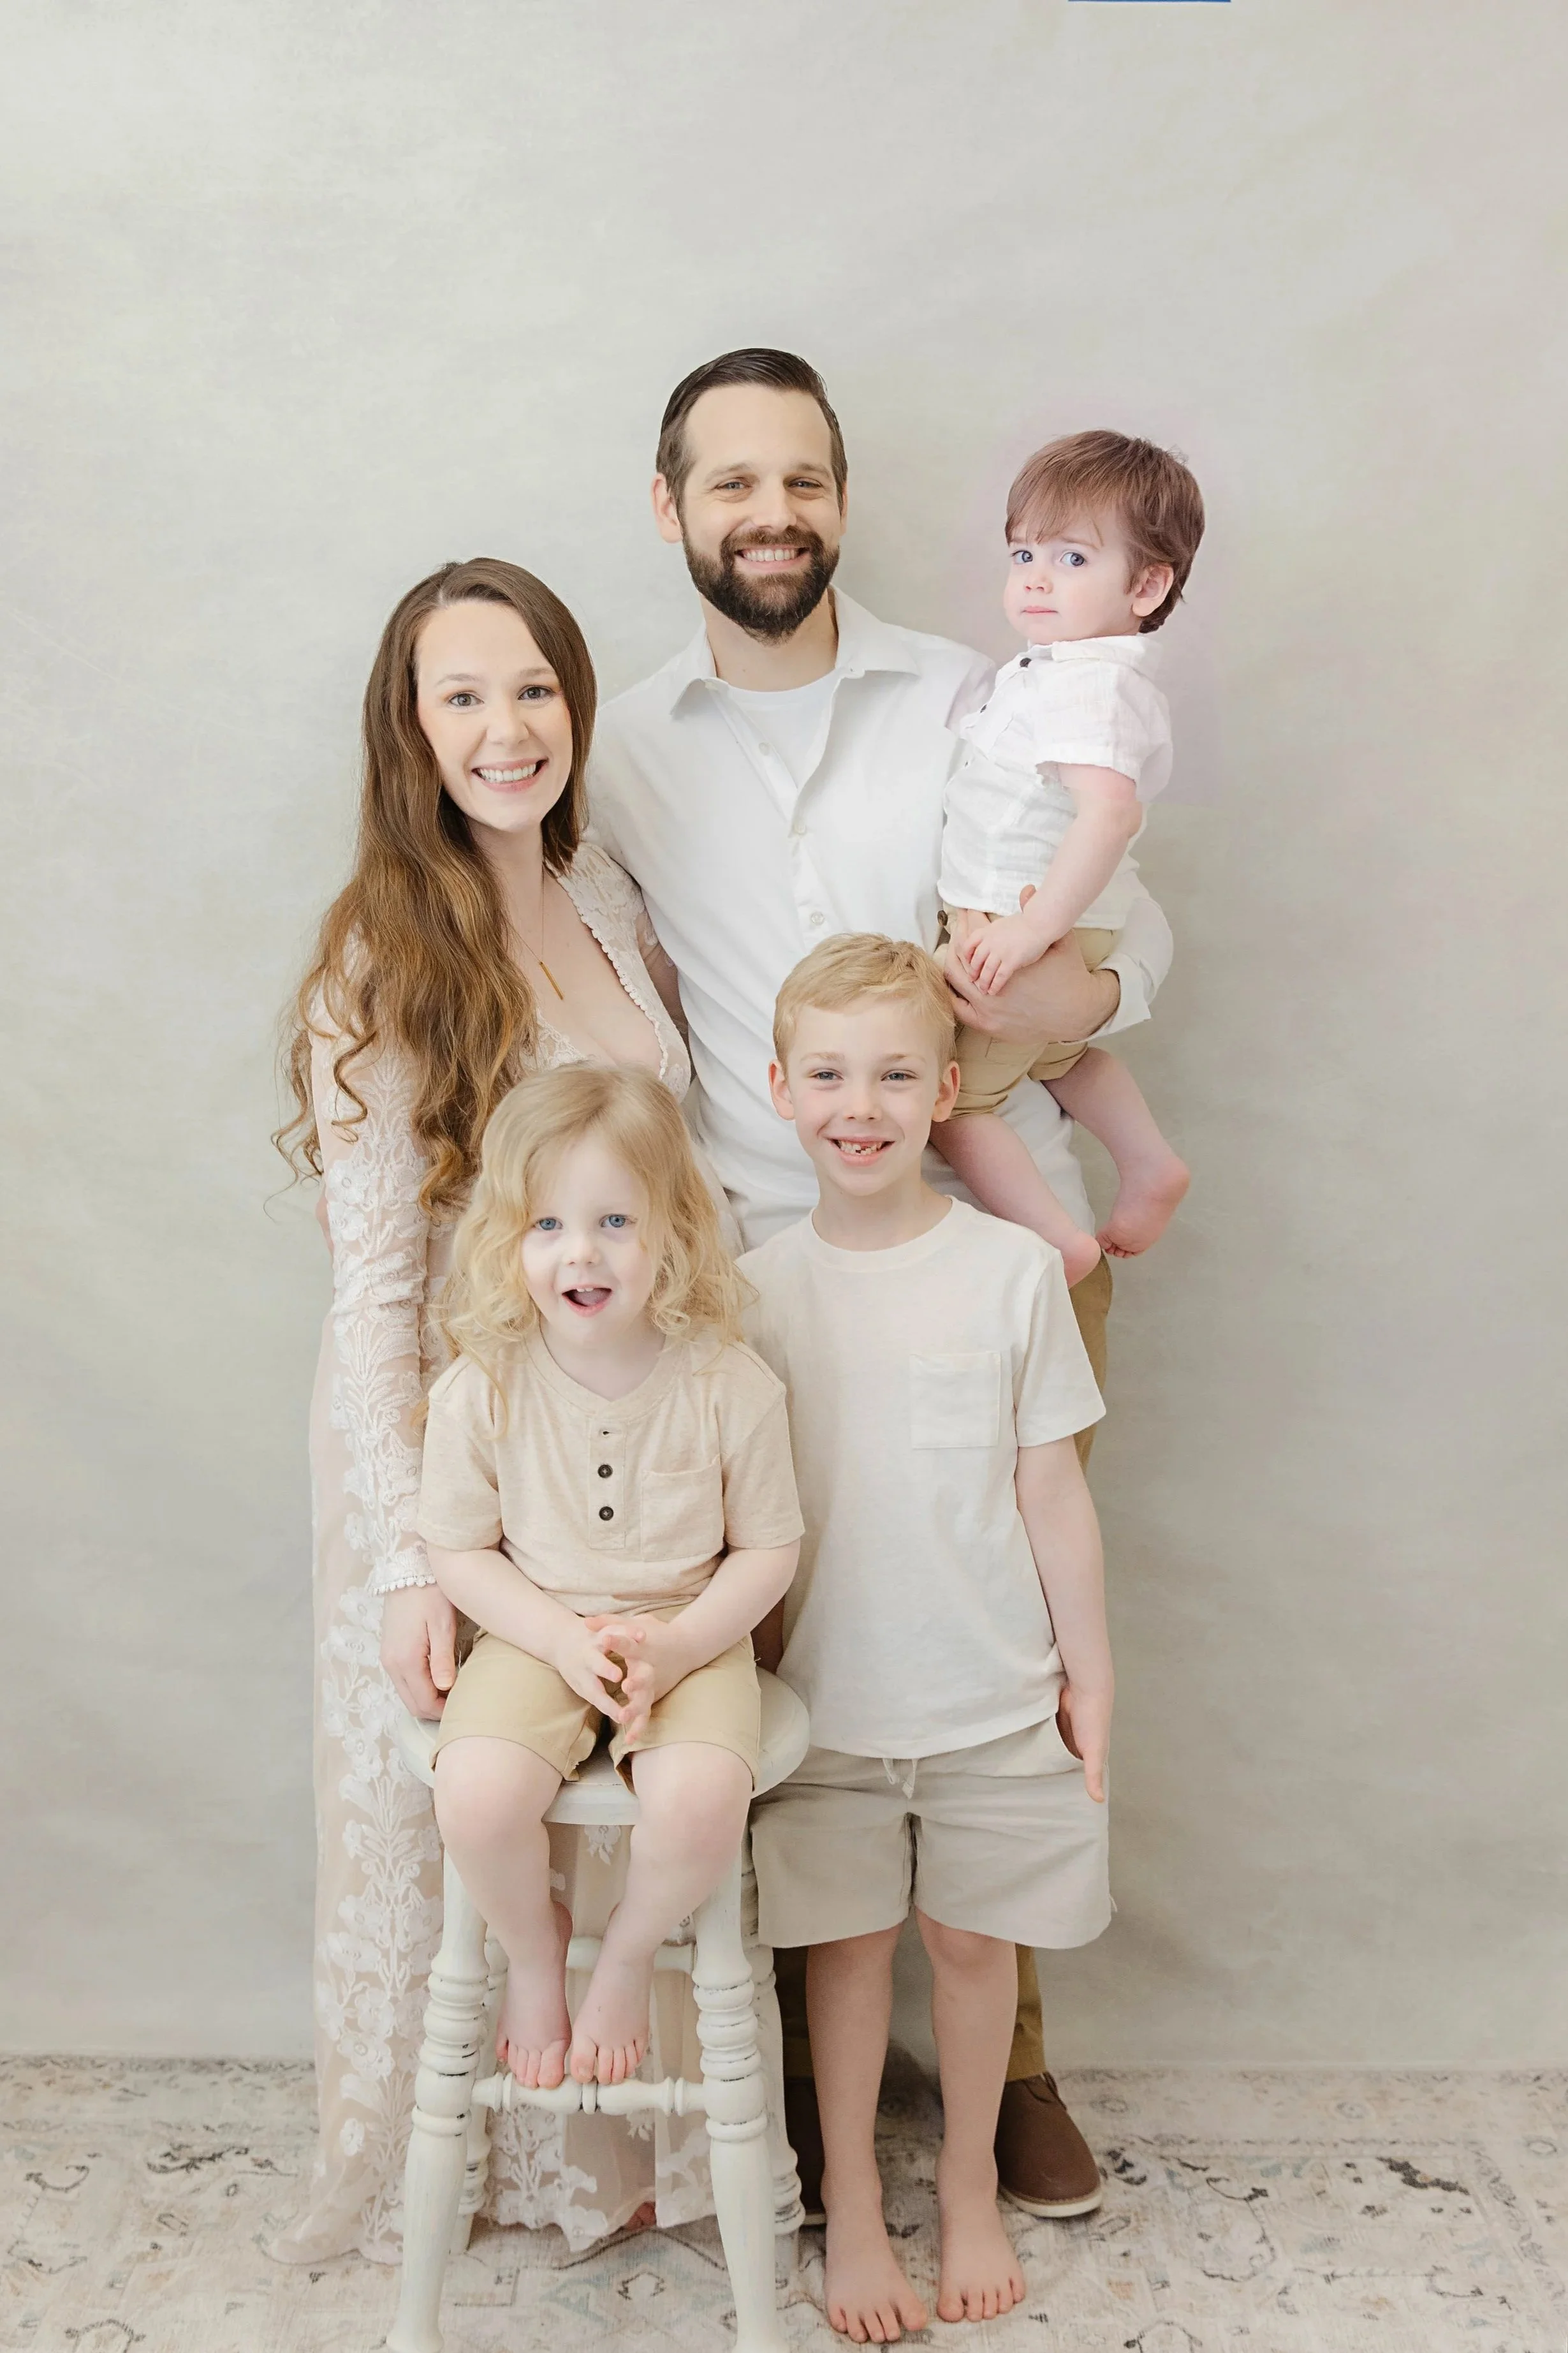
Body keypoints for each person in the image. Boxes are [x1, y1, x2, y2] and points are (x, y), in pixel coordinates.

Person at [589, 346, 1169, 2217]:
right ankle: (766, 2063)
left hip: (990, 1231)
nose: (773, 515)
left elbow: (1118, 925)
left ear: (842, 498)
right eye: (731, 483)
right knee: (776, 1663)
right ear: (668, 509)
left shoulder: (969, 691)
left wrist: (1038, 1004)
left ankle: (1014, 2076)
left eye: (804, 481)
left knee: (995, 1645)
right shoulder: (619, 746)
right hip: (746, 1272)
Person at [273, 557, 721, 2261]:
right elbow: (377, 1293)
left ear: (573, 704)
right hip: (461, 1444)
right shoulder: (381, 963)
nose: (504, 726)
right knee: (473, 1778)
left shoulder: (602, 881)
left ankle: (625, 2156)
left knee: (631, 1746)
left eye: (531, 686)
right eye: (461, 694)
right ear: (410, 730)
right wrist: (411, 1558)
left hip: (631, 1421)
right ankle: (476, 2153)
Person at [742, 936, 1113, 2339]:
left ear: (945, 1088)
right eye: (829, 1073)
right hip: (824, 1699)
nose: (861, 1103)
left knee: (969, 1943)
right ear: (779, 1088)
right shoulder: (755, 1289)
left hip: (988, 1690)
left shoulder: (1010, 1272)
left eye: (896, 1074)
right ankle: (849, 2198)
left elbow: (1047, 1486)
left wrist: (1091, 1673)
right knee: (841, 1948)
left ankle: (964, 2184)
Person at [420, 1063, 801, 2092]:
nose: (578, 1252)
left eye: (614, 1222)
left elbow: (769, 1548)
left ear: (674, 1229)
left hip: (685, 1632)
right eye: (546, 1225)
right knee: (476, 1796)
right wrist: (555, 1640)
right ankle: (536, 1953)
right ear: (508, 1240)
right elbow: (457, 1550)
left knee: (700, 1800)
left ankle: (627, 1957)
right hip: (539, 1630)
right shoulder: (482, 1386)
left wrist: (675, 1647)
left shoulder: (729, 1383)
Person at [933, 430, 1200, 1283]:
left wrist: (1033, 927)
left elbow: (1108, 814)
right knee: (1059, 1057)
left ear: (1147, 584)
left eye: (1073, 557)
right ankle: (1150, 1163)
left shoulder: (1091, 681)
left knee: (956, 1101)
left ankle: (1059, 1241)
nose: (1036, 577)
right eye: (1023, 553)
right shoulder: (1063, 668)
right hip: (1057, 926)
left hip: (1037, 926)